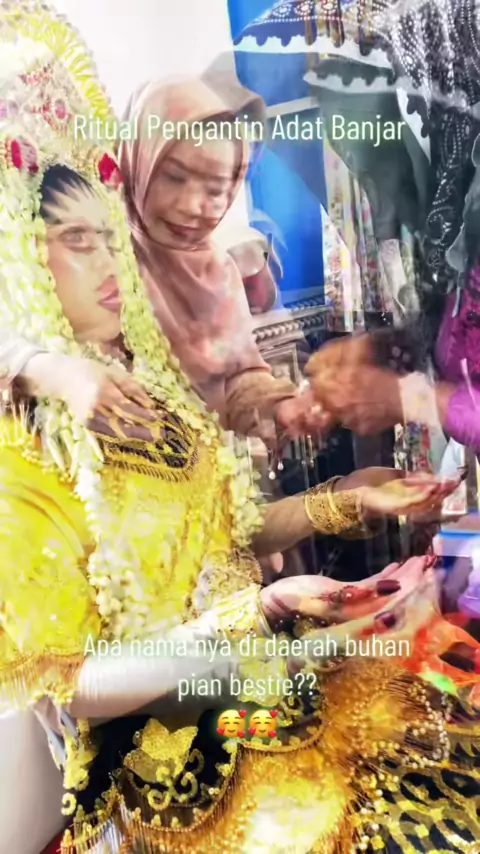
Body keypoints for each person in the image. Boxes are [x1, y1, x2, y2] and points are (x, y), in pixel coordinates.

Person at [1, 5, 480, 854]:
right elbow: (66, 684)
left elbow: (232, 529)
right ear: (21, 260)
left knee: (445, 743)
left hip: (251, 674)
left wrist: (346, 500)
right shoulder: (30, 447)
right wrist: (258, 611)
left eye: (108, 237)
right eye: (78, 242)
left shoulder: (147, 381)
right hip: (166, 758)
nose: (114, 265)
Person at [0, 74, 317, 441]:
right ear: (139, 160)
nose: (194, 206)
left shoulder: (219, 273)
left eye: (215, 189)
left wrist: (275, 406)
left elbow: (237, 378)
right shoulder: (84, 254)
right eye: (176, 177)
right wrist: (53, 372)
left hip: (207, 468)